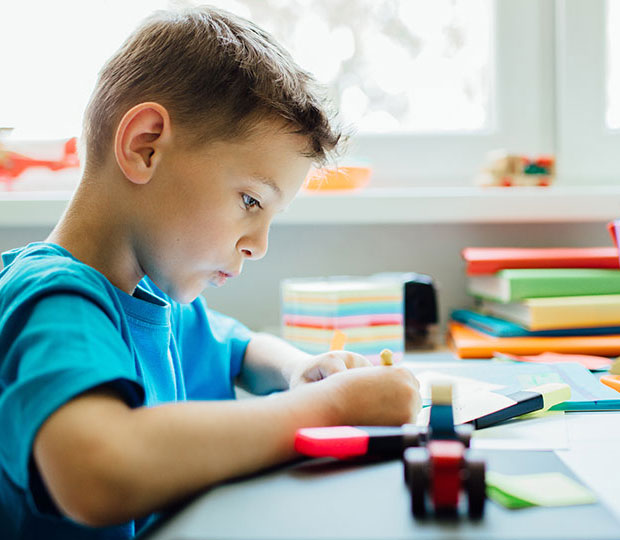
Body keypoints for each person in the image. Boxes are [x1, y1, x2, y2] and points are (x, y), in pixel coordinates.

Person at [0, 6, 421, 539]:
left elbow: (237, 348)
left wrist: (300, 369)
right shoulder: (55, 302)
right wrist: (328, 405)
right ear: (144, 146)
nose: (260, 245)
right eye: (250, 200)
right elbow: (98, 471)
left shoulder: (151, 297)